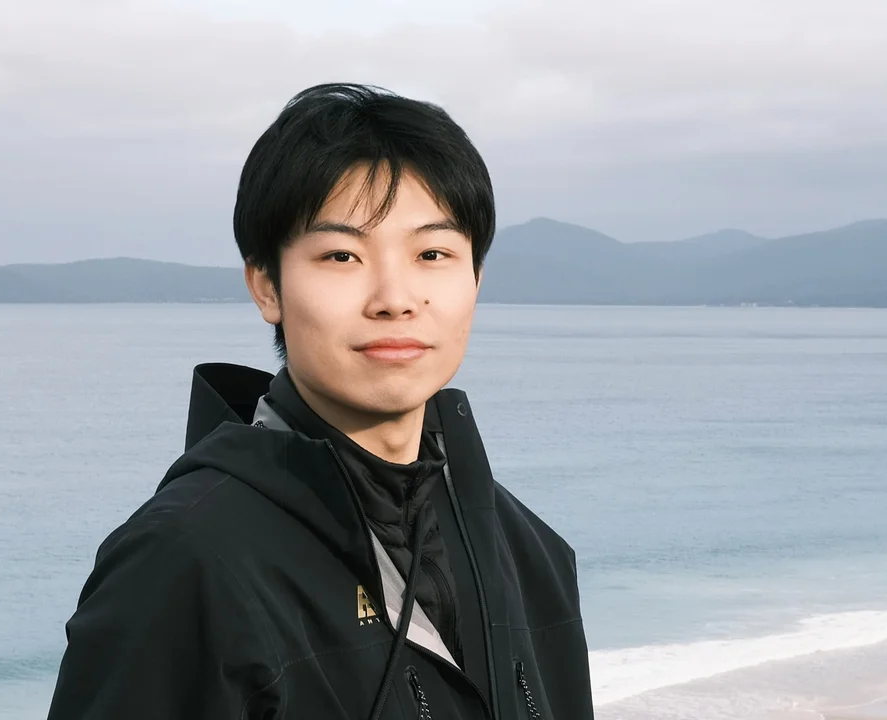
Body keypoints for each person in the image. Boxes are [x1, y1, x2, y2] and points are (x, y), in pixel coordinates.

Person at [46, 83, 594, 720]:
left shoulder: (526, 550)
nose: (395, 298)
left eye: (432, 253)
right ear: (266, 287)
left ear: (475, 278)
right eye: (341, 255)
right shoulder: (183, 561)